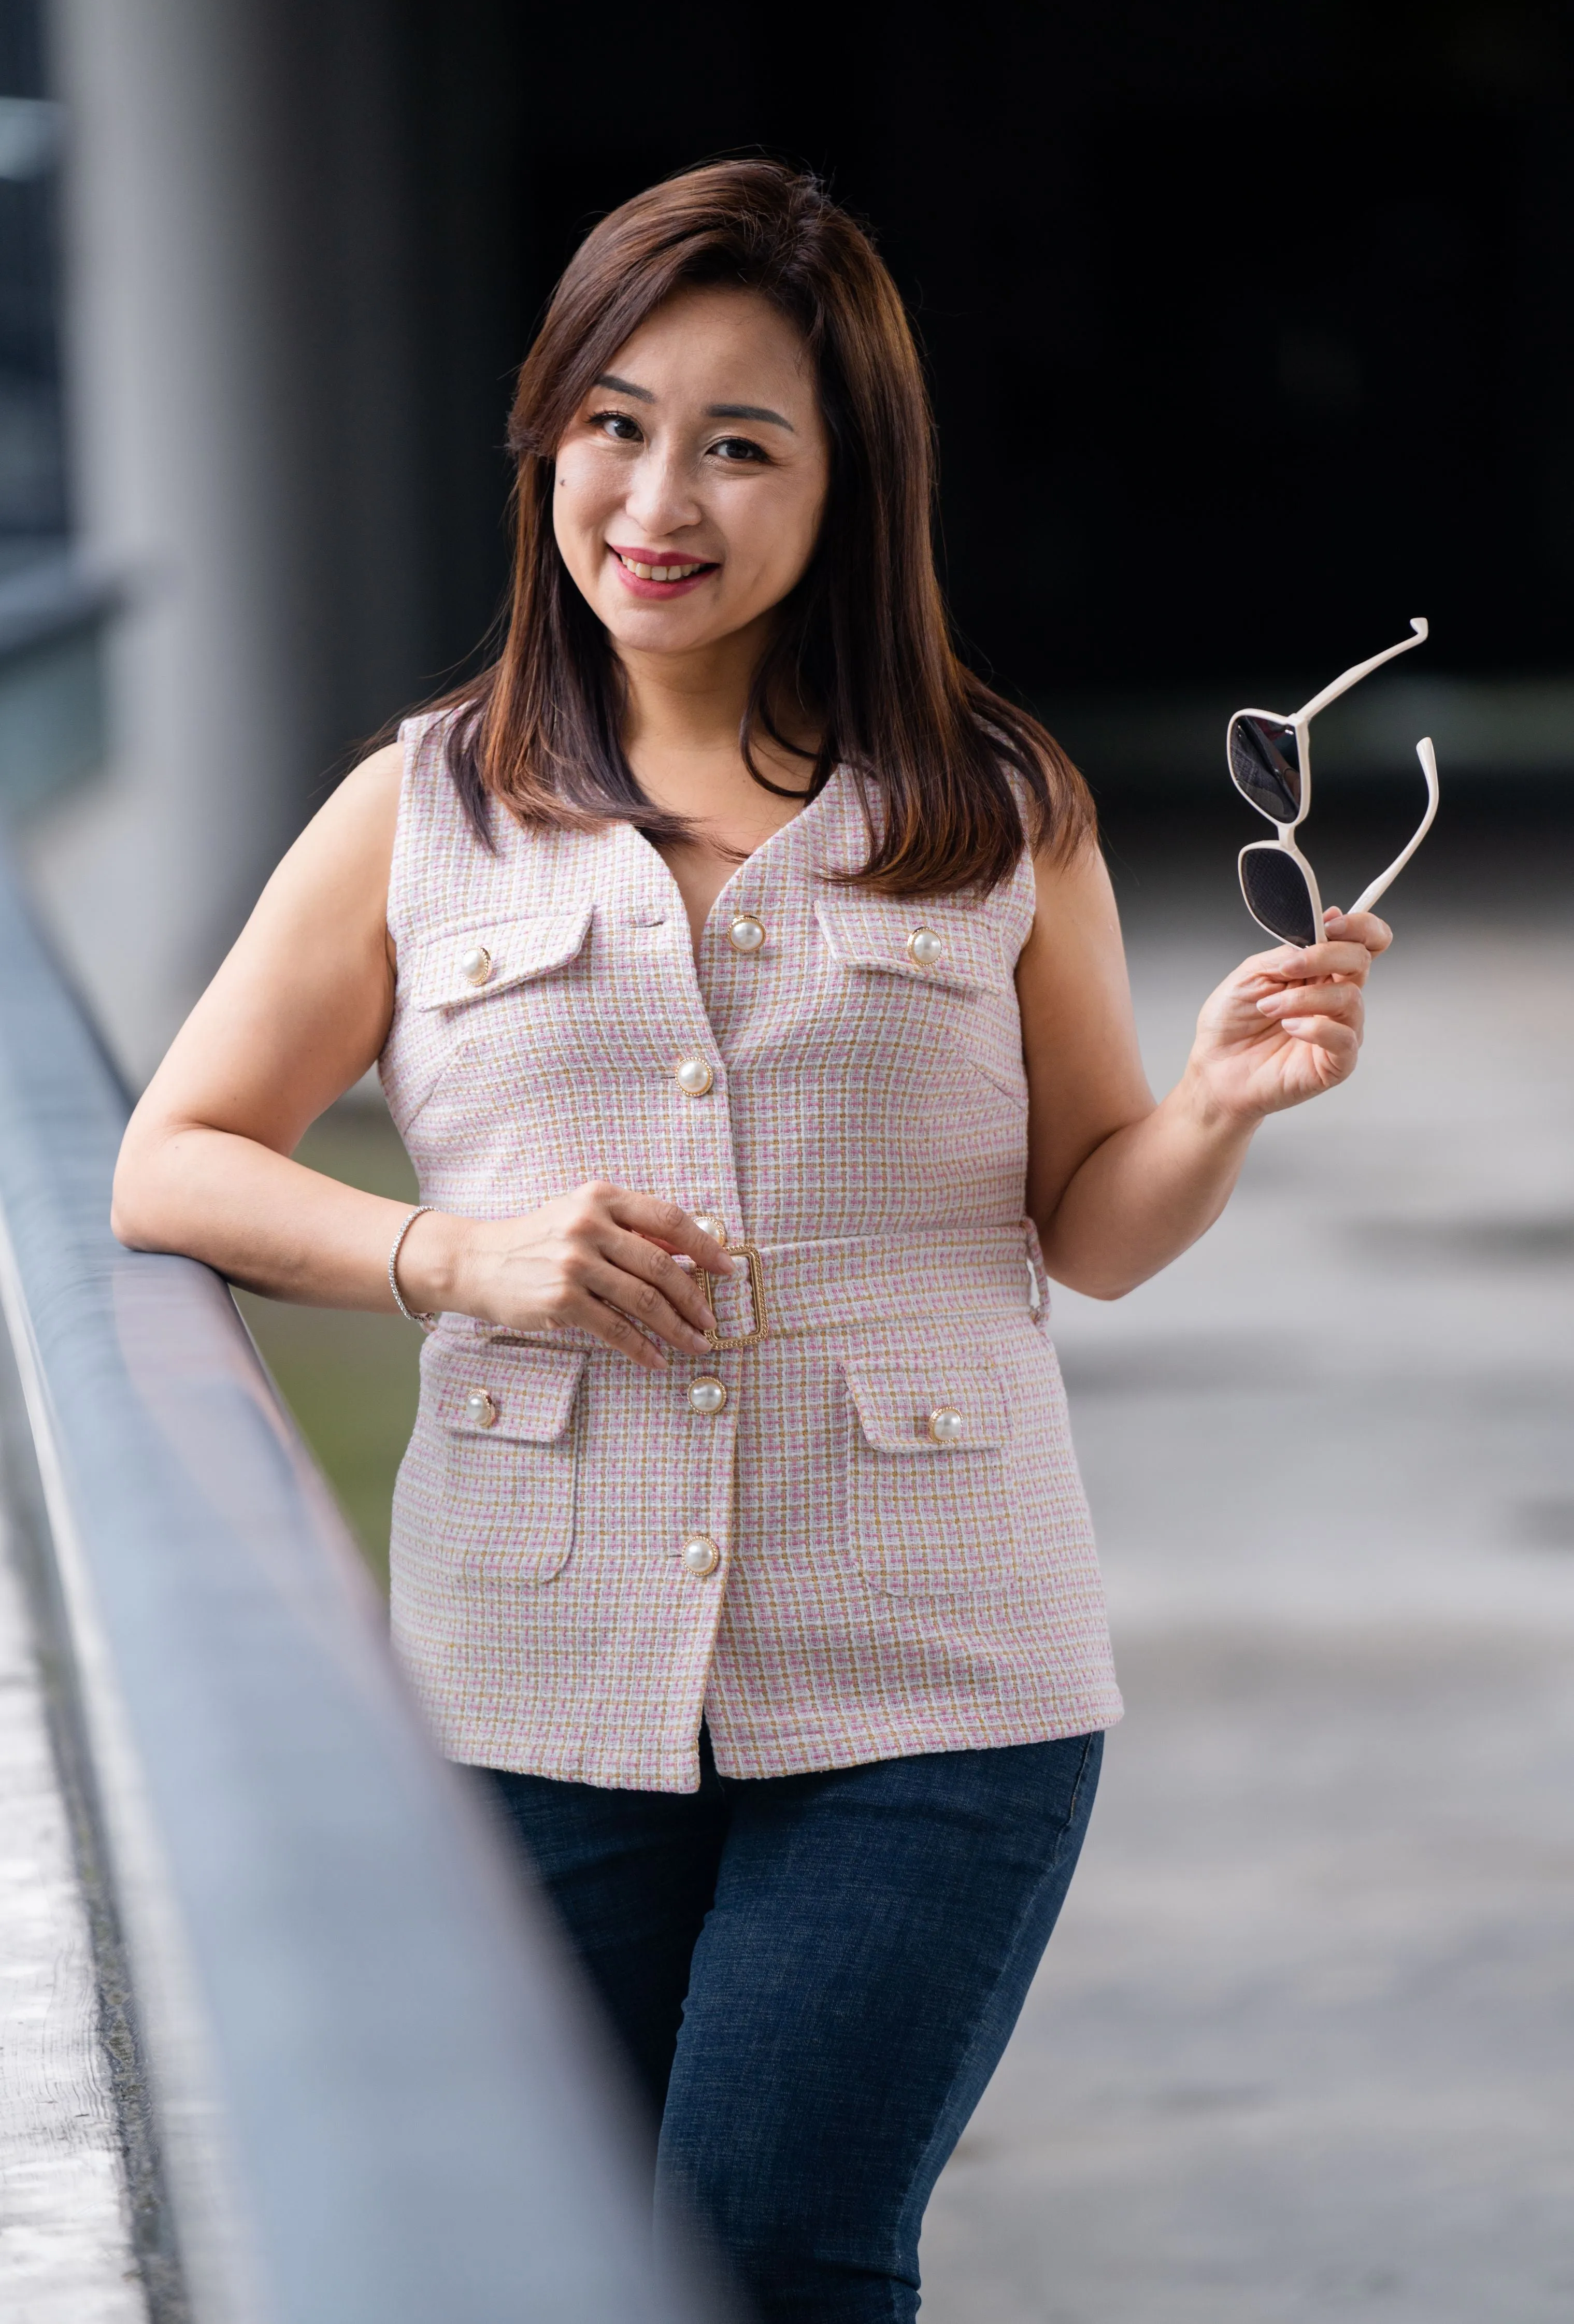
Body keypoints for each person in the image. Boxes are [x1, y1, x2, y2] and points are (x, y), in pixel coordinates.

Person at [111, 160, 1390, 2320]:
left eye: (738, 442)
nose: (658, 496)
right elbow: (176, 1161)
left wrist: (1213, 1109)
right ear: (545, 445)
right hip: (530, 1671)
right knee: (555, 2265)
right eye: (614, 424)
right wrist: (463, 1252)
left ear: (846, 486)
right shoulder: (418, 810)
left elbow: (1094, 1226)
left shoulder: (992, 808)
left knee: (773, 2251)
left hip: (939, 1681)